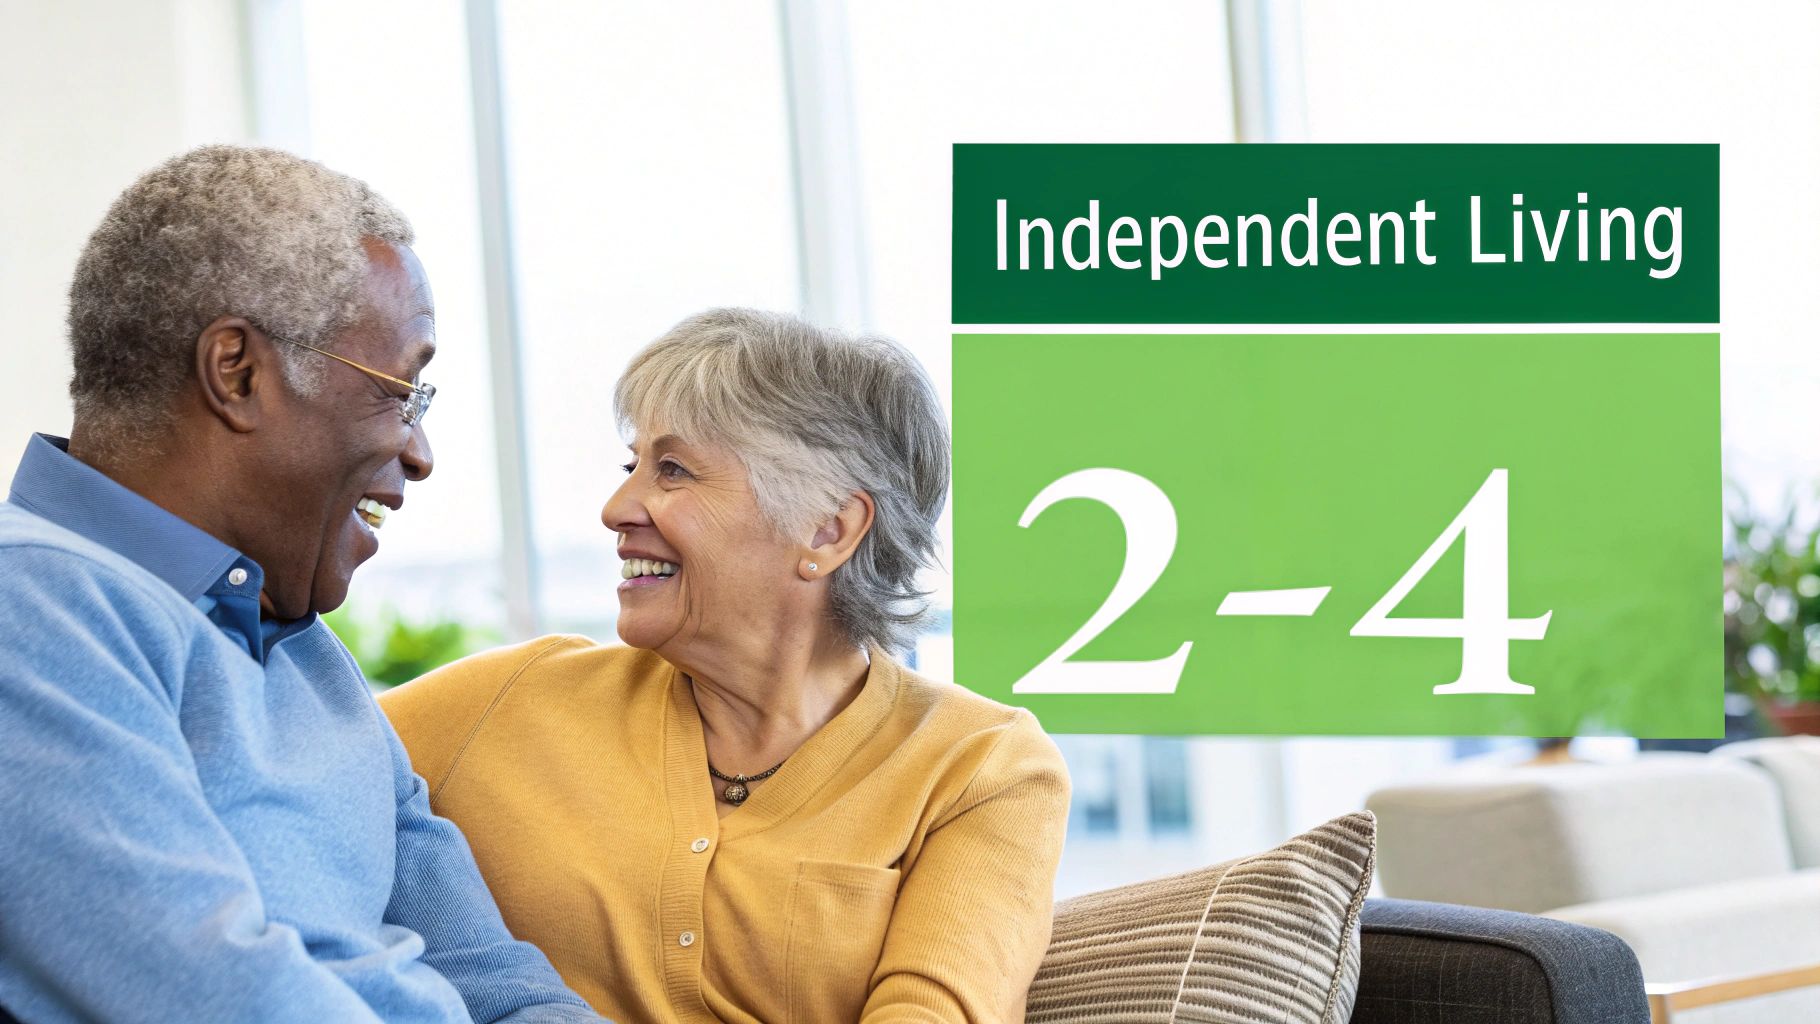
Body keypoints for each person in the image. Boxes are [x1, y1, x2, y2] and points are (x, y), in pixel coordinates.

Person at [0, 146, 605, 1024]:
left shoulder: (305, 654)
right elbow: (211, 995)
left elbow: (500, 989)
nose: (421, 453)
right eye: (402, 391)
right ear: (237, 373)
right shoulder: (36, 605)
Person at [380, 309, 1071, 1024]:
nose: (617, 508)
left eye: (673, 470)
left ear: (829, 529)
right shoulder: (512, 699)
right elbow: (280, 766)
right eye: (633, 466)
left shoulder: (982, 768)